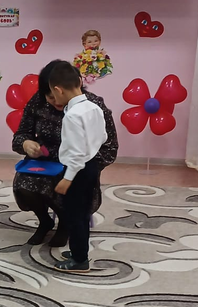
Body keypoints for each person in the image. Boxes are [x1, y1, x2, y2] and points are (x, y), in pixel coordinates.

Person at [12, 60, 118, 247]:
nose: (55, 101)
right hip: (43, 163)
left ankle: (67, 224)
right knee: (24, 183)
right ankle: (45, 221)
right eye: (49, 97)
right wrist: (27, 144)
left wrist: (83, 166)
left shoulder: (92, 105)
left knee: (71, 193)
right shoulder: (38, 101)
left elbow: (109, 146)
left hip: (77, 165)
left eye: (55, 95)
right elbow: (20, 136)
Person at [49, 61, 108, 274]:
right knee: (83, 212)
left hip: (77, 171)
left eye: (53, 94)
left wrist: (68, 178)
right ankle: (78, 250)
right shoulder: (94, 108)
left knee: (74, 214)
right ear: (80, 82)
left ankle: (80, 260)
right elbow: (103, 137)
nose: (54, 99)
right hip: (91, 165)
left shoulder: (73, 116)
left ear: (58, 90)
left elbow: (75, 153)